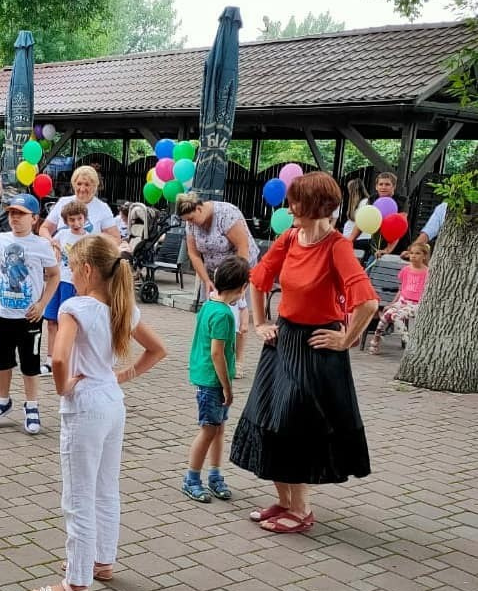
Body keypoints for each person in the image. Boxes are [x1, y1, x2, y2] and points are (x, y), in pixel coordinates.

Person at [230, 171, 379, 535]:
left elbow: (368, 303)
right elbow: (259, 279)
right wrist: (262, 321)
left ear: (318, 206)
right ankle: (283, 500)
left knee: (295, 425)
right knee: (268, 419)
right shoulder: (290, 238)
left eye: (298, 201)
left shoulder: (336, 246)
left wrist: (346, 340)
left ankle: (302, 510)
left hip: (316, 349)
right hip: (282, 342)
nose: (290, 206)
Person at [30, 235, 166, 591]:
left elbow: (58, 359)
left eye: (73, 267)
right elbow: (158, 350)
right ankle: (101, 561)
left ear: (87, 269)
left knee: (77, 495)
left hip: (85, 404)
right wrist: (121, 376)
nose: (71, 274)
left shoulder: (76, 307)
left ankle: (75, 584)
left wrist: (62, 387)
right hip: (111, 402)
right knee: (106, 488)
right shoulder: (123, 308)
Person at [0, 192, 59, 435]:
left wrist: (43, 304)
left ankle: (32, 405)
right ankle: (2, 399)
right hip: (4, 312)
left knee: (30, 362)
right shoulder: (1, 239)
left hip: (29, 316)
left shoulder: (41, 245)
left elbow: (54, 275)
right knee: (2, 360)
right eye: (11, 213)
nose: (14, 218)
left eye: (20, 214)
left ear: (35, 218)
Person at [182, 256, 250, 503]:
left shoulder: (209, 306)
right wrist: (227, 386)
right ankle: (192, 478)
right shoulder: (223, 315)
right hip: (212, 381)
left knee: (218, 430)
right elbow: (217, 352)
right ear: (242, 287)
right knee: (209, 431)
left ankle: (215, 475)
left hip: (207, 378)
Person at [176, 191, 258, 375]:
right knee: (209, 316)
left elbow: (242, 248)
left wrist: (239, 280)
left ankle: (237, 361)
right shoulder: (192, 224)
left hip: (238, 269)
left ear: (199, 208)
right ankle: (205, 357)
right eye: (186, 220)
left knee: (236, 316)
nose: (190, 223)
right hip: (214, 273)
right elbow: (194, 253)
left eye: (191, 218)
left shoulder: (226, 214)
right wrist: (206, 280)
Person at [41, 199, 89, 375]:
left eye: (79, 219)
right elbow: (49, 244)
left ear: (85, 219)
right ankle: (50, 360)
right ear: (66, 221)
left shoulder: (87, 239)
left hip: (73, 285)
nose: (76, 223)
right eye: (72, 220)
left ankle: (67, 359)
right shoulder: (61, 235)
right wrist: (52, 246)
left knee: (67, 324)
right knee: (52, 321)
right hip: (57, 282)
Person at [367, 239, 430, 354]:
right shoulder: (405, 270)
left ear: (424, 256)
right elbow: (401, 289)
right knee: (386, 315)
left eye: (417, 253)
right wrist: (392, 303)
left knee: (396, 316)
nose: (413, 256)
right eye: (411, 253)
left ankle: (409, 343)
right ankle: (376, 339)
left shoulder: (427, 273)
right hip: (402, 301)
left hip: (416, 304)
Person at [39, 165, 121, 245]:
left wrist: (97, 245)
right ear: (73, 184)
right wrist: (52, 242)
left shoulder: (102, 208)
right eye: (79, 184)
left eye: (87, 184)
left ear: (95, 186)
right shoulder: (63, 202)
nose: (82, 189)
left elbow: (115, 239)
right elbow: (44, 229)